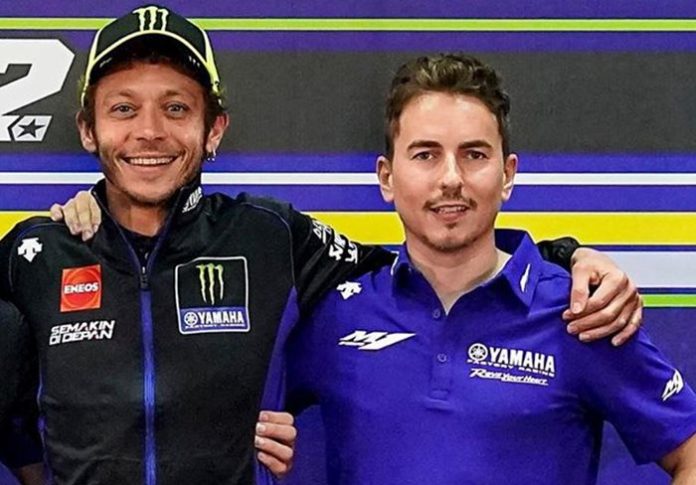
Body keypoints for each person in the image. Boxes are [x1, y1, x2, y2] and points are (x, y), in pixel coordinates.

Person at [0, 5, 639, 484]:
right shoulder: (35, 252)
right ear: (87, 129)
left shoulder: (269, 236)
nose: (149, 132)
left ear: (214, 130)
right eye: (122, 109)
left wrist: (564, 255)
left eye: (175, 108)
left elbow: (428, 259)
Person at [285, 53, 696, 484]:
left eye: (474, 154)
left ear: (507, 175)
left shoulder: (580, 313)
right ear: (387, 178)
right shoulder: (337, 314)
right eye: (425, 155)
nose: (450, 178)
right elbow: (243, 407)